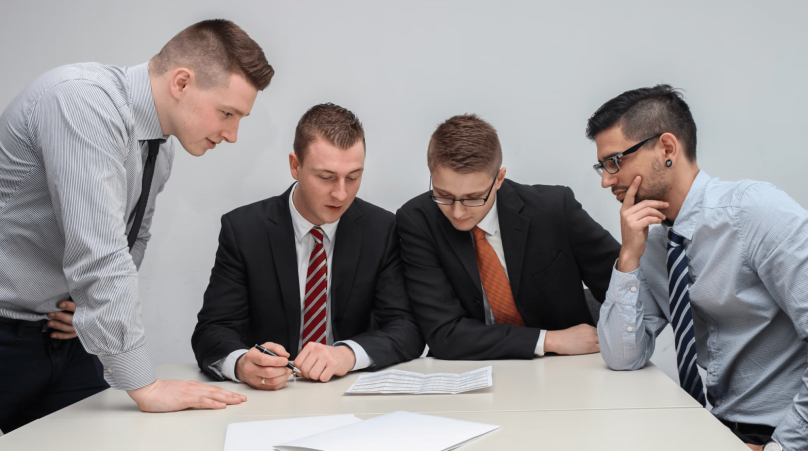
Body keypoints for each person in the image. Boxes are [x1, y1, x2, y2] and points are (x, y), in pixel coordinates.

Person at [0, 19, 275, 433]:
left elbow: (133, 238)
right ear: (181, 83)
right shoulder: (81, 101)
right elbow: (100, 254)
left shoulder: (159, 148)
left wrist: (87, 311)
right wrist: (145, 384)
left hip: (61, 337)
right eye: (227, 113)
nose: (233, 134)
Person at [589, 84, 808, 451]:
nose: (606, 180)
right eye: (602, 166)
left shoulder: (755, 213)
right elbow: (621, 357)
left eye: (615, 161)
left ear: (667, 149)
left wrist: (782, 447)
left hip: (784, 432)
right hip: (718, 428)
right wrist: (628, 257)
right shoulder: (655, 242)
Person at [191, 103, 424, 390]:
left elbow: (407, 329)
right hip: (269, 398)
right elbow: (212, 330)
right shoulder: (243, 230)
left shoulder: (381, 229)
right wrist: (242, 364)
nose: (341, 193)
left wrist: (346, 354)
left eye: (353, 177)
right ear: (295, 166)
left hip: (348, 393)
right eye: (326, 177)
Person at [395, 114, 620, 361]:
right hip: (470, 370)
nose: (457, 212)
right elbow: (444, 334)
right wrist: (548, 340)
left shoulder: (555, 209)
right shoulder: (417, 221)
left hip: (567, 368)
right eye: (443, 195)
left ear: (499, 179)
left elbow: (624, 291)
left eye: (473, 197)